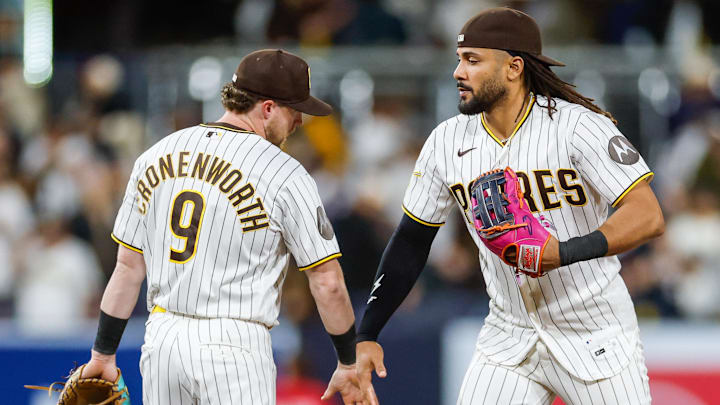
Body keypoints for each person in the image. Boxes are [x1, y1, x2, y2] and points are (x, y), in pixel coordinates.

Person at [356, 7, 664, 405]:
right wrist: (368, 333)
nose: (458, 72)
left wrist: (563, 253)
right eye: (458, 60)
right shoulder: (446, 141)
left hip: (594, 329)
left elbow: (648, 215)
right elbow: (411, 241)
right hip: (510, 335)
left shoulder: (577, 126)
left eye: (472, 60)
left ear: (513, 67)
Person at [80, 49, 375, 405]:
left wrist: (102, 354)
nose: (299, 122)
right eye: (294, 111)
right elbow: (327, 283)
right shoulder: (283, 172)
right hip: (233, 343)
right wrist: (346, 360)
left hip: (162, 340)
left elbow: (127, 268)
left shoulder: (155, 155)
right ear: (267, 108)